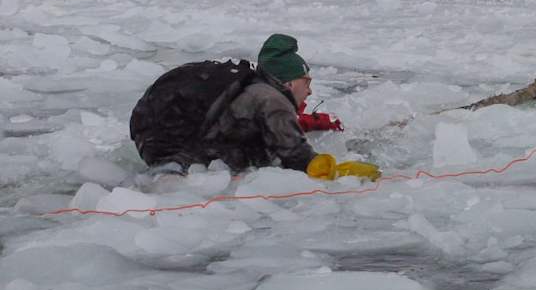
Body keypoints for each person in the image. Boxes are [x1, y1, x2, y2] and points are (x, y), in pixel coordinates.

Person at [130, 33, 378, 181]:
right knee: (174, 176)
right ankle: (162, 182)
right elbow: (296, 155)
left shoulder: (248, 89)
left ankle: (166, 172)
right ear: (289, 83)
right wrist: (337, 172)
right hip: (170, 142)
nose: (310, 91)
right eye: (307, 82)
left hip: (151, 131)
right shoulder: (271, 98)